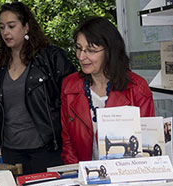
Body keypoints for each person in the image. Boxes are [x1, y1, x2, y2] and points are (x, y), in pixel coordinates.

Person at [0, 2, 75, 174]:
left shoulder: (51, 58)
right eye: (2, 27)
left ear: (26, 27)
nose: (6, 32)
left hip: (46, 149)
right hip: (12, 150)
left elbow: (72, 102)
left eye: (11, 26)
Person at [61, 16, 154, 164]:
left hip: (128, 174)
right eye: (79, 48)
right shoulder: (70, 86)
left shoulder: (137, 88)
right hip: (84, 176)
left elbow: (146, 141)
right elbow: (68, 143)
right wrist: (78, 175)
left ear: (110, 51)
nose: (81, 56)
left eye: (90, 50)